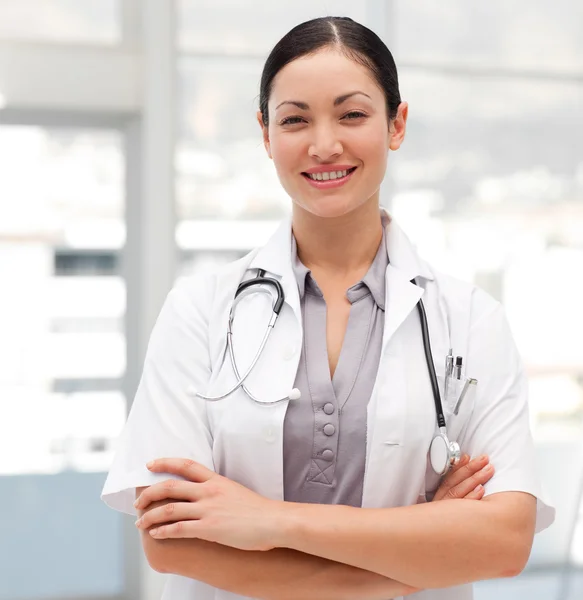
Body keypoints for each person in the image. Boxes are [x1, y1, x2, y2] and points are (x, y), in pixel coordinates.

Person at [101, 16, 554, 600]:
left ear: (397, 123)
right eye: (294, 119)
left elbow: (505, 542)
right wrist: (422, 547)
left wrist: (269, 521)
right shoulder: (198, 312)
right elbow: (170, 541)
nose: (324, 144)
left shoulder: (471, 320)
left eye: (352, 114)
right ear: (265, 135)